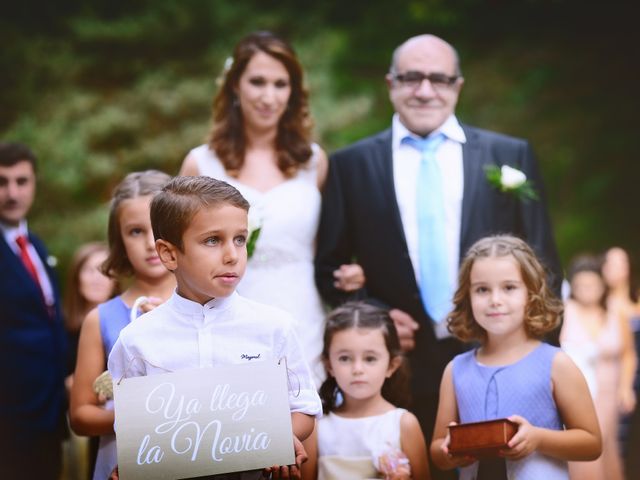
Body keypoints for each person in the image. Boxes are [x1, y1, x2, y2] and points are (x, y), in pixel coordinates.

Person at [314, 33, 562, 474]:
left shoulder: (509, 154)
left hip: (497, 356)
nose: (424, 90)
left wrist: (543, 361)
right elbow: (329, 268)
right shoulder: (350, 165)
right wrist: (375, 316)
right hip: (395, 365)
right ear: (390, 83)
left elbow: (542, 264)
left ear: (457, 85)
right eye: (411, 77)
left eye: (438, 79)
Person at [108, 175, 322, 479]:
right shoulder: (137, 341)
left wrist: (279, 435)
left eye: (239, 239)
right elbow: (133, 431)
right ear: (169, 253)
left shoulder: (274, 327)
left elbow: (303, 407)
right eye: (212, 240)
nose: (232, 255)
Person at [180, 30, 343, 383]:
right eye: (257, 82)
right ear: (235, 86)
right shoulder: (201, 164)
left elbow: (329, 248)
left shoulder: (314, 162)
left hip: (304, 312)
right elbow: (179, 255)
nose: (269, 96)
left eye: (280, 84)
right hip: (226, 313)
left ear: (293, 92)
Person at [430, 235, 601, 479]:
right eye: (482, 290)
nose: (495, 300)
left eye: (509, 287)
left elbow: (592, 443)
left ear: (530, 294)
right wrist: (449, 451)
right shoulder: (456, 370)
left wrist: (539, 438)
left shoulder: (556, 364)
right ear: (467, 297)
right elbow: (437, 449)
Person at [69, 170, 176, 480]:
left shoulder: (208, 306)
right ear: (119, 240)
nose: (149, 242)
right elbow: (80, 415)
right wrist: (137, 416)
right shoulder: (101, 319)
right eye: (135, 231)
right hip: (125, 460)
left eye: (158, 227)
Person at [0, 142, 69, 478]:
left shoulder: (37, 245)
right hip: (9, 422)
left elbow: (48, 320)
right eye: (2, 182)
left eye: (21, 181)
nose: (12, 193)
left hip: (49, 413)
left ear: (34, 184)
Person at [301, 302, 430, 480]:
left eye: (370, 358)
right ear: (329, 365)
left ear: (392, 365)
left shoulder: (404, 424)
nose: (357, 369)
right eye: (345, 358)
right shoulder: (316, 428)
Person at [560, 255, 636, 480]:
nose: (587, 290)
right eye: (581, 285)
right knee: (582, 448)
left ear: (602, 285)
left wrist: (625, 388)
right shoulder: (564, 311)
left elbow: (628, 353)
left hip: (608, 393)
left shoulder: (615, 312)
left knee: (608, 444)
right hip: (576, 393)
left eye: (592, 285)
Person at [62, 241, 119, 480]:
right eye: (88, 270)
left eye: (105, 270)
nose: (97, 278)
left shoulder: (128, 326)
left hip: (115, 429)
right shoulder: (59, 328)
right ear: (76, 277)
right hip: (71, 431)